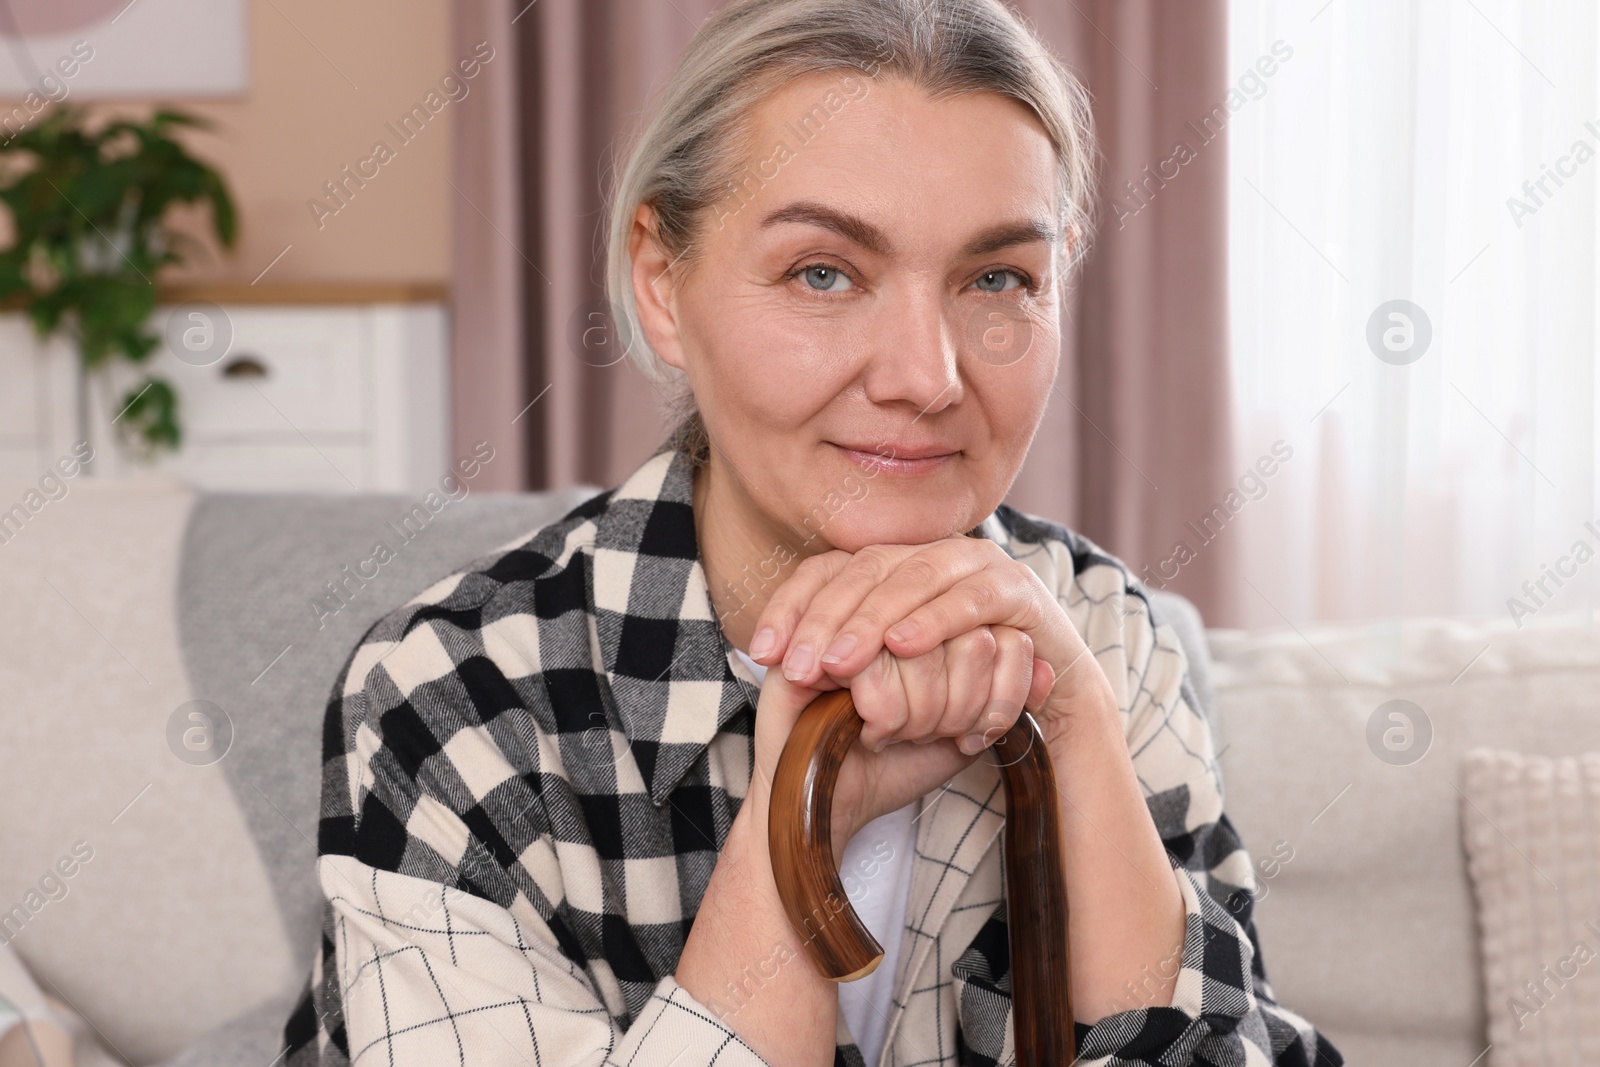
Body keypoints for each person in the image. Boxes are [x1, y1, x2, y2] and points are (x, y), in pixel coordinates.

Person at [280, 1, 1344, 1063]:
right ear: (661, 283)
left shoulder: (1106, 636)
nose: (925, 376)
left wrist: (1072, 735)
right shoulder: (453, 695)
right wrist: (800, 819)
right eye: (823, 272)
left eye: (997, 279)